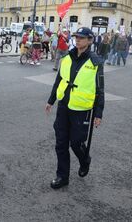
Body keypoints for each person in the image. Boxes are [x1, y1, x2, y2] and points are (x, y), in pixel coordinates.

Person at [45, 27, 104, 189]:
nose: (78, 40)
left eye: (82, 38)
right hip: (64, 104)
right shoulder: (67, 57)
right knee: (61, 142)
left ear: (90, 40)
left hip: (82, 108)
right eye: (77, 37)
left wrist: (99, 113)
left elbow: (100, 89)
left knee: (76, 143)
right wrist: (51, 101)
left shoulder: (95, 61)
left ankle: (85, 159)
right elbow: (59, 80)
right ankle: (62, 176)